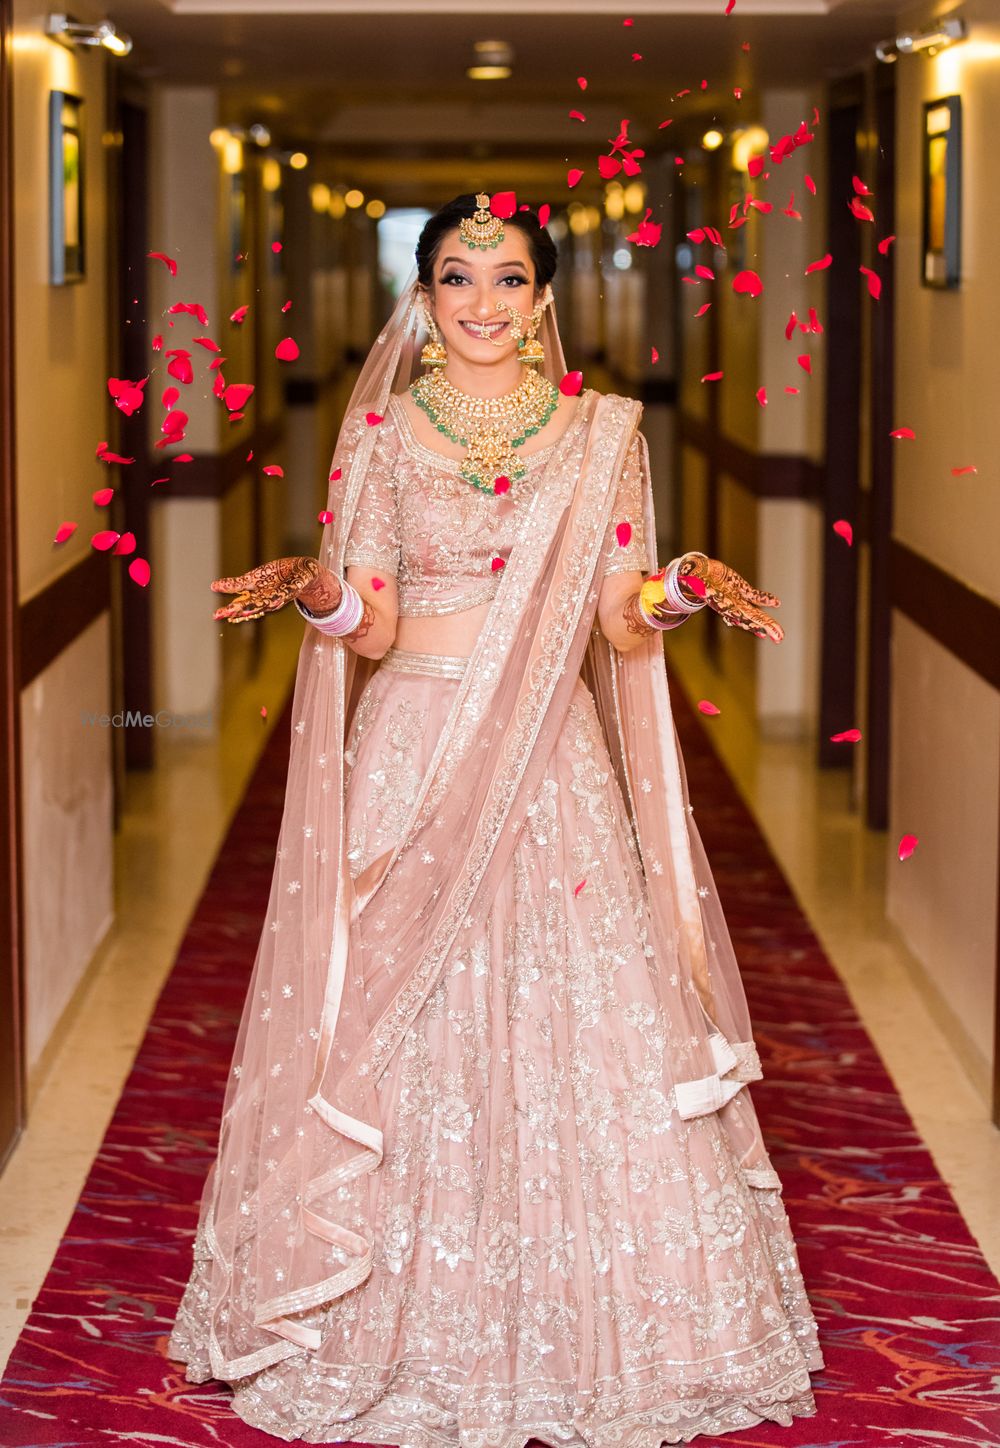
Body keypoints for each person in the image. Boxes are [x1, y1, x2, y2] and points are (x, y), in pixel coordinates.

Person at [167, 193, 824, 1444]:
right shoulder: (379, 435)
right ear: (421, 297)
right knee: (392, 1019)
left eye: (508, 278)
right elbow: (375, 619)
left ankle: (605, 1323)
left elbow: (617, 624)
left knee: (580, 1010)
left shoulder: (601, 431)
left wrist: (680, 583)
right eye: (456, 276)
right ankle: (387, 1315)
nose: (481, 302)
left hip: (547, 755)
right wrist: (314, 591)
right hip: (415, 745)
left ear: (543, 301)